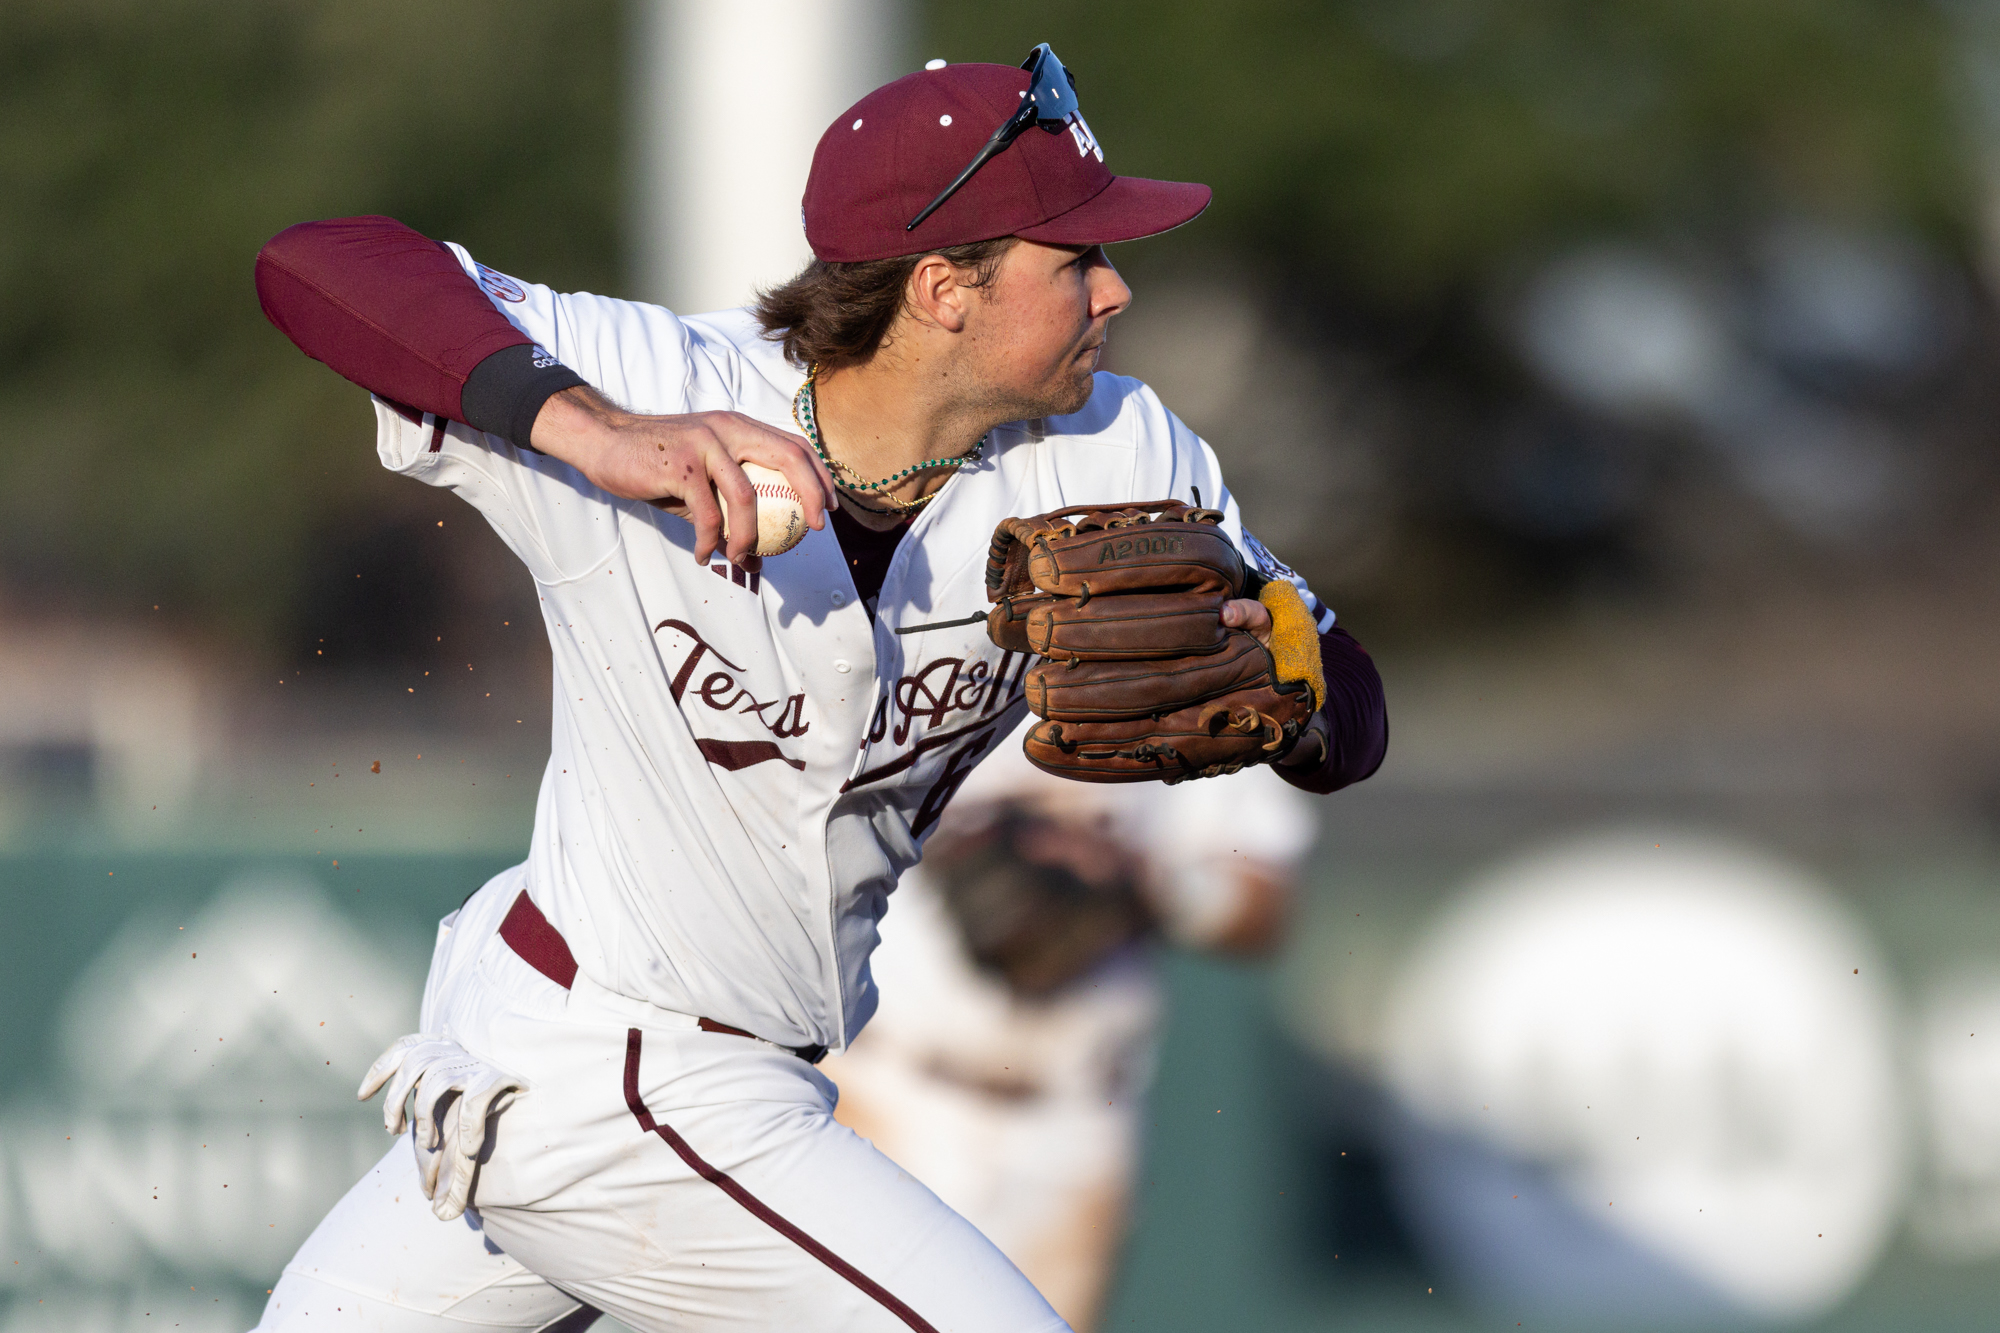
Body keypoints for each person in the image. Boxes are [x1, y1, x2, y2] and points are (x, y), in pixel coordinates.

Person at [249, 45, 1386, 1333]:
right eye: (1073, 260)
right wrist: (588, 430)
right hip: (619, 1071)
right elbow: (316, 261)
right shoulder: (657, 384)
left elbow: (1346, 703)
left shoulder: (1113, 447)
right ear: (944, 287)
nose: (1114, 288)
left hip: (680, 1078)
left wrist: (1287, 683)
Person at [823, 738, 1314, 1331]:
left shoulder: (1198, 665)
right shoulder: (917, 651)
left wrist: (1147, 884)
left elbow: (1264, 908)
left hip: (1072, 1126)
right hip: (881, 1091)